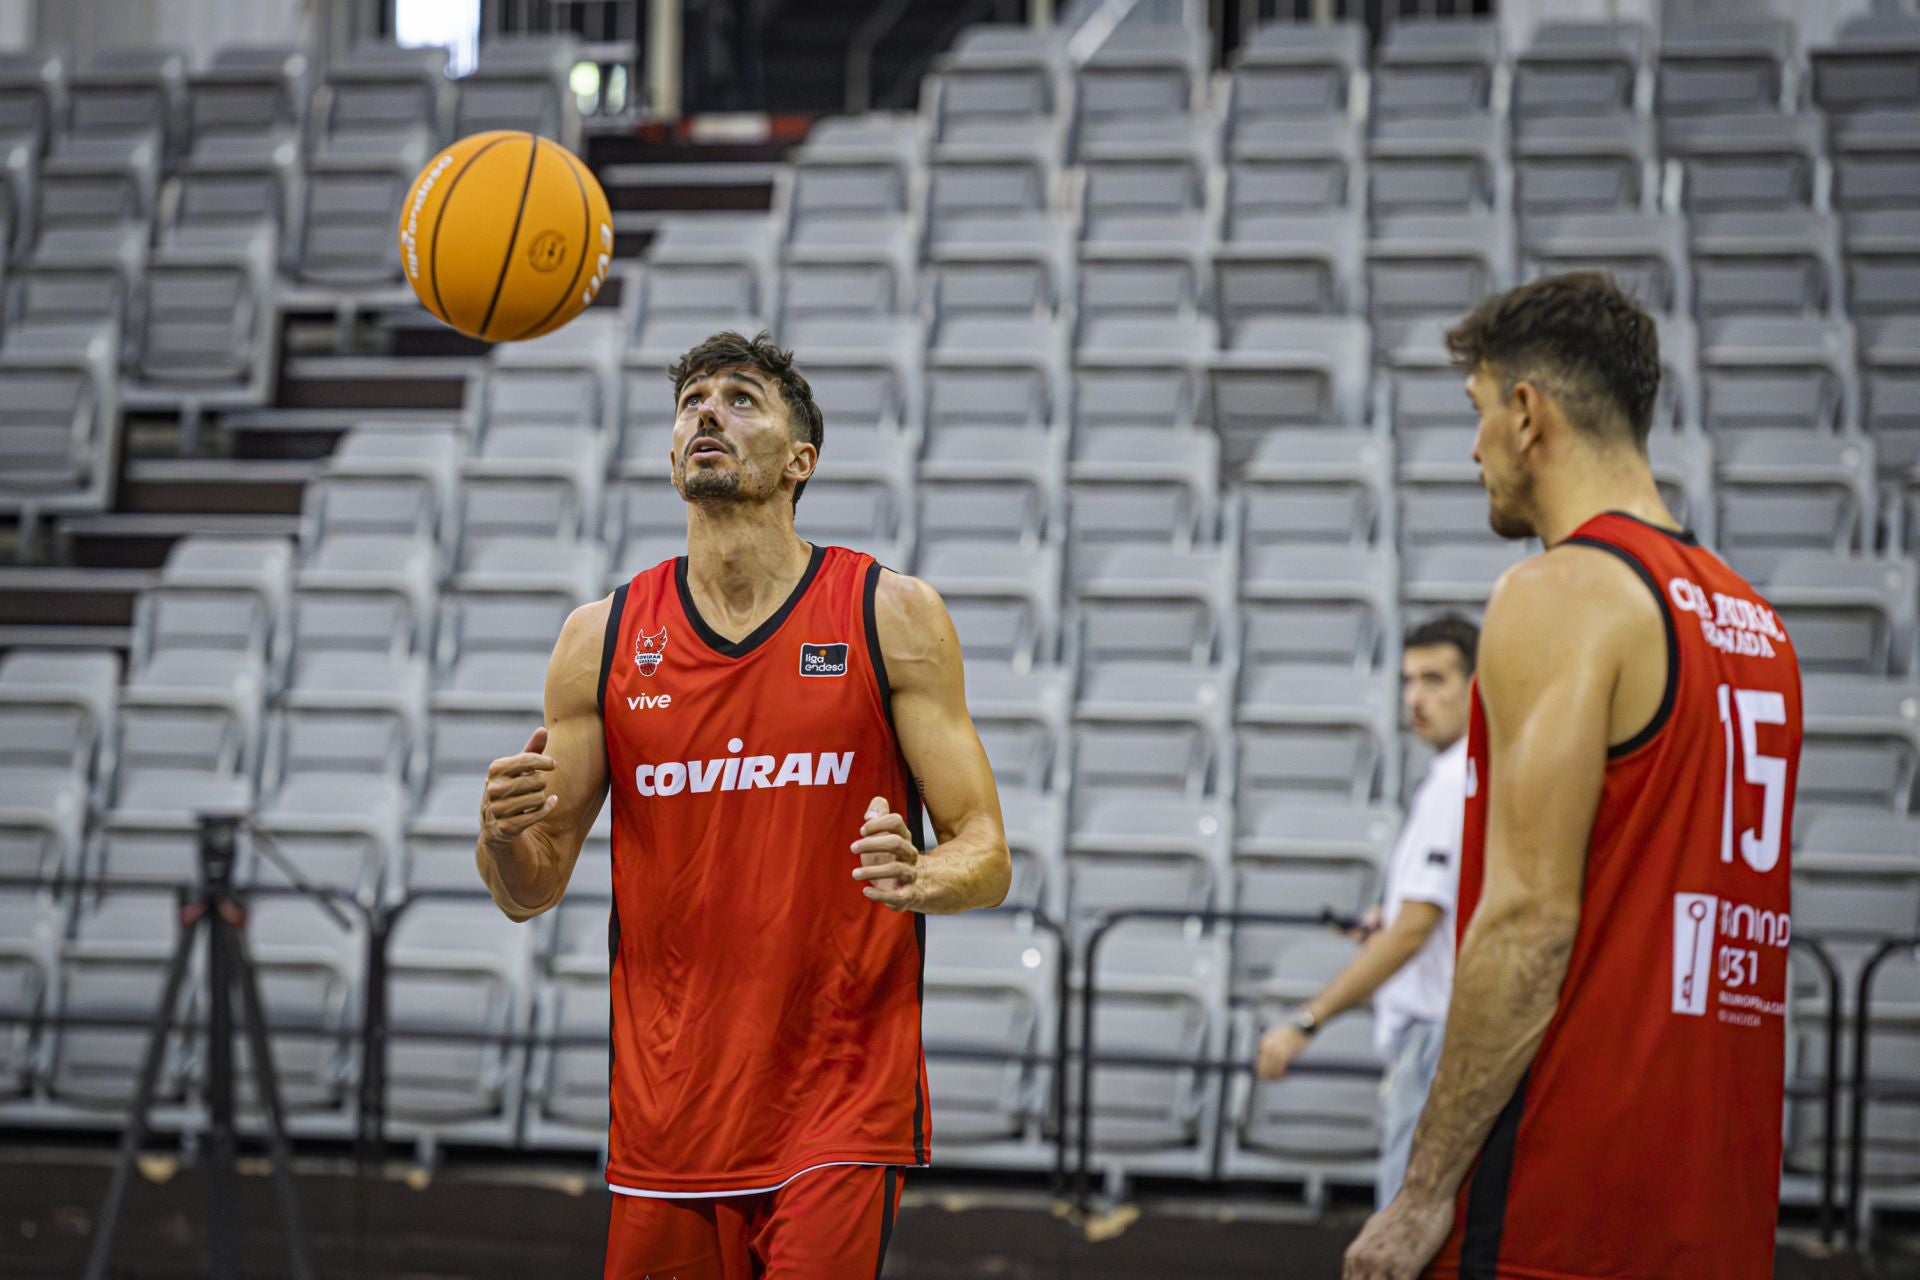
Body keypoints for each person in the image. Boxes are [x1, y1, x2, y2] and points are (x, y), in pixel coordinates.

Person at [474, 331, 1013, 1280]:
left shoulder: (888, 612)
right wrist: (503, 838)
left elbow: (987, 853)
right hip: (667, 1106)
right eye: (691, 402)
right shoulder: (598, 638)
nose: (707, 413)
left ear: (802, 460)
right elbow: (531, 889)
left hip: (839, 1099)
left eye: (741, 398)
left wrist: (922, 875)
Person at [1343, 273, 1803, 1280]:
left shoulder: (1563, 590)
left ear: (1526, 410)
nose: (1472, 451)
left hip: (1568, 1188)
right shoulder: (1759, 624)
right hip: (1718, 1194)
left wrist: (1420, 1194)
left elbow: (1527, 921)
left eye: (1476, 415)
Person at [1256, 614, 1479, 1209]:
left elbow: (1413, 931)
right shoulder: (1457, 778)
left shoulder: (1459, 782)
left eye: (1435, 680)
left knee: (1400, 1234)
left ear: (1476, 687)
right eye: (1409, 680)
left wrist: (1305, 1022)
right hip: (1441, 1035)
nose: (1416, 698)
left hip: (1436, 1040)